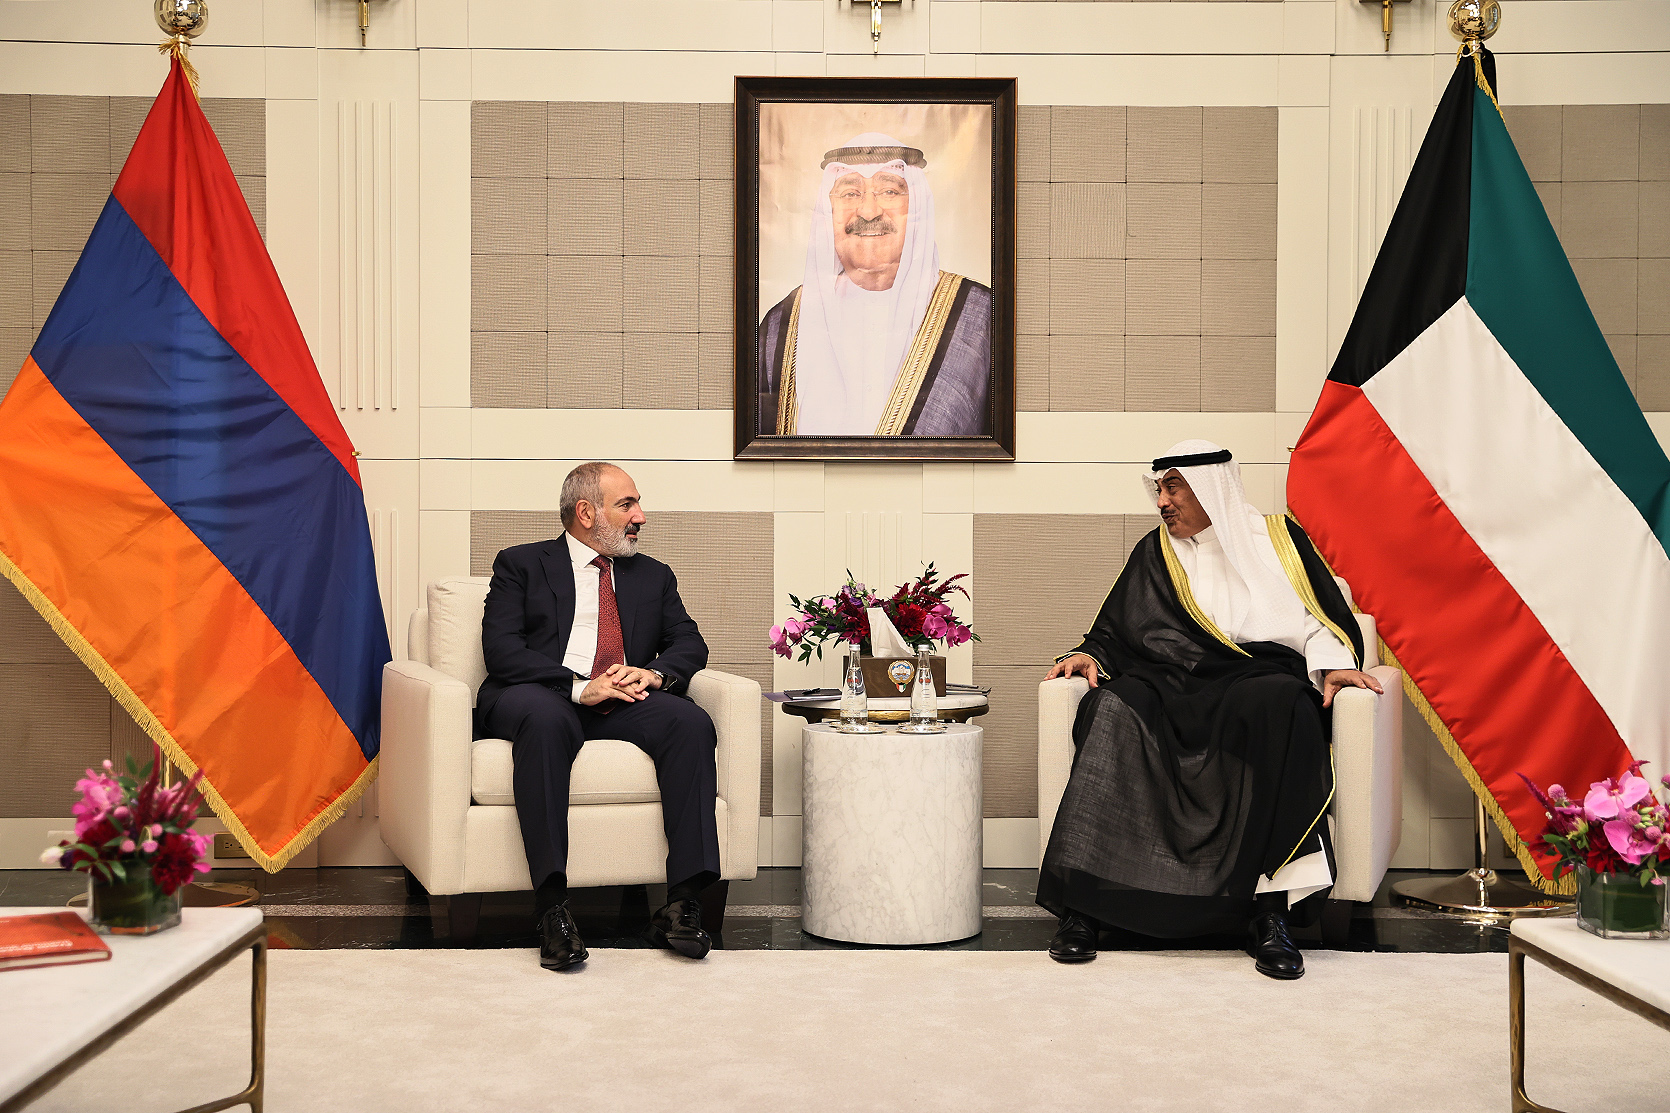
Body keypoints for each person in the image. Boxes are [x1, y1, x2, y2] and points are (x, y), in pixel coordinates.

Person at [1038, 440, 1384, 979]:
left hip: (1256, 676)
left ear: (1210, 488)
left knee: (1284, 703)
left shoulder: (1280, 540)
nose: (1162, 502)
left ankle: (1270, 913)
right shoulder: (1155, 551)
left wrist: (1333, 665)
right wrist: (1090, 655)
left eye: (1172, 488)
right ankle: (1086, 907)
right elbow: (1116, 630)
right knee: (1110, 706)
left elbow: (1321, 618)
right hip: (1170, 680)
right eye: (1159, 489)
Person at [475, 461, 720, 971]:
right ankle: (552, 911)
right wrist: (577, 686)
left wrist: (654, 674)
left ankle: (680, 904)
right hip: (540, 694)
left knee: (690, 722)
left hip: (618, 698)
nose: (641, 516)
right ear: (586, 513)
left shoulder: (653, 575)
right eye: (626, 504)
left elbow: (688, 641)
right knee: (547, 721)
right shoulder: (520, 564)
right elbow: (502, 651)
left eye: (637, 504)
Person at [758, 132, 992, 437]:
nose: (868, 211)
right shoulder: (782, 324)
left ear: (917, 208)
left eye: (889, 191)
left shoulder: (980, 316)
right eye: (850, 193)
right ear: (829, 212)